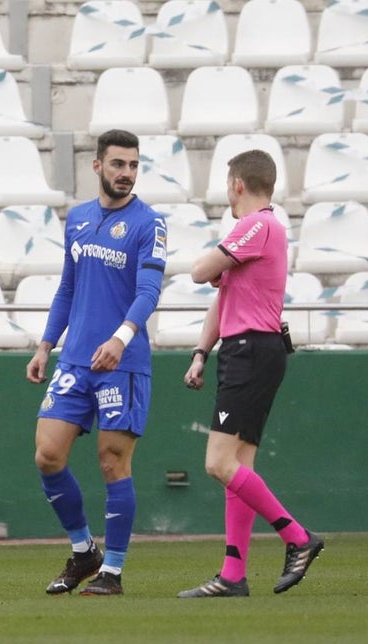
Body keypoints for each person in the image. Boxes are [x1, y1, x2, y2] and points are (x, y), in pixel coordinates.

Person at [26, 129, 167, 596]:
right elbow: (68, 286)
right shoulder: (79, 219)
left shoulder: (150, 224)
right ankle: (86, 551)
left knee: (112, 462)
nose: (126, 173)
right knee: (47, 454)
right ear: (98, 166)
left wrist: (121, 339)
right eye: (118, 164)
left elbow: (149, 292)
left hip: (122, 362)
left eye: (133, 165)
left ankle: (114, 571)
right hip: (75, 359)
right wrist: (47, 344)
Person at [177, 150, 324, 598]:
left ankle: (298, 537)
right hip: (249, 350)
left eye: (227, 183)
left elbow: (200, 272)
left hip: (251, 351)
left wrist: (214, 256)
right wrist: (202, 351)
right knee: (239, 466)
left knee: (217, 462)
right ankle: (233, 575)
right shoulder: (257, 232)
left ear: (237, 184)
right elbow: (222, 300)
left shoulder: (257, 225)